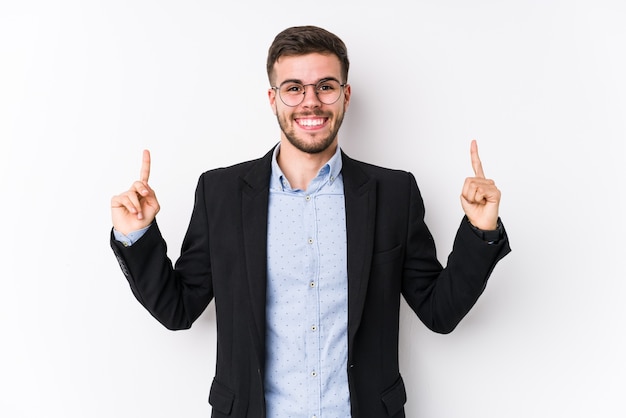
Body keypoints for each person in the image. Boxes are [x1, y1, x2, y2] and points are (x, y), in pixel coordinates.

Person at [110, 25, 511, 418]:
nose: (311, 102)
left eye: (325, 86)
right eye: (294, 88)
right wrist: (137, 236)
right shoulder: (221, 194)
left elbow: (439, 312)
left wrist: (480, 232)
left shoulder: (393, 194)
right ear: (273, 98)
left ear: (345, 95)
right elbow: (178, 310)